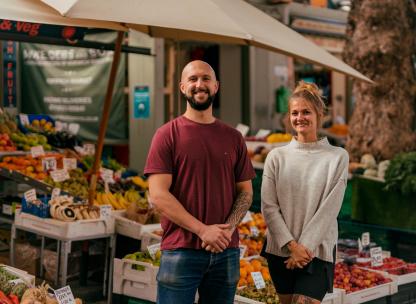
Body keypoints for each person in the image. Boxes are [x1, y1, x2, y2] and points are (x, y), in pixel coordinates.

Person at [144, 60, 256, 304]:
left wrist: (226, 231)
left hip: (226, 252)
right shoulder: (167, 134)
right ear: (183, 87)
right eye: (193, 79)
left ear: (216, 86)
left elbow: (246, 192)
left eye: (206, 79)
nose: (199, 84)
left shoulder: (234, 138)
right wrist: (204, 231)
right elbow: (159, 195)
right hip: (181, 251)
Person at [261, 81, 349, 304]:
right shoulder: (276, 156)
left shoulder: (337, 156)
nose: (300, 117)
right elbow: (268, 206)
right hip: (280, 251)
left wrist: (303, 249)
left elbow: (329, 210)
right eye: (295, 112)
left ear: (319, 114)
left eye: (306, 112)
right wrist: (291, 246)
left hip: (317, 252)